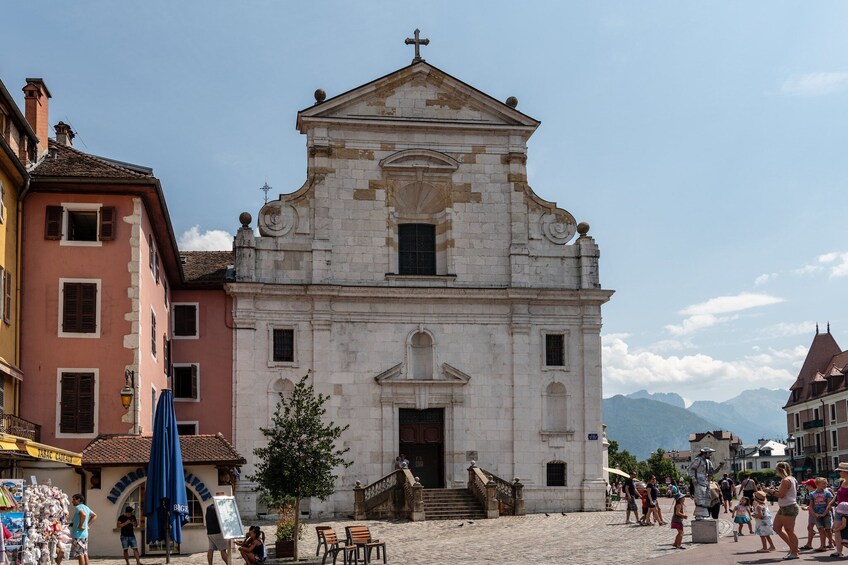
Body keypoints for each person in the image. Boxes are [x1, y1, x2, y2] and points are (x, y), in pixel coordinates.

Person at [767, 461, 800, 560]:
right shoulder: (790, 479)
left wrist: (770, 491)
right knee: (777, 528)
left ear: (780, 470)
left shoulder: (786, 480)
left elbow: (781, 495)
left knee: (789, 530)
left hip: (789, 507)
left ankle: (794, 552)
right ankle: (793, 548)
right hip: (784, 506)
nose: (775, 470)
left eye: (776, 469)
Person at [689, 447, 724, 519]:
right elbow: (691, 469)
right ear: (705, 453)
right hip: (698, 480)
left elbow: (712, 472)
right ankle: (699, 515)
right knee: (700, 497)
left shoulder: (708, 462)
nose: (711, 454)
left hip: (705, 481)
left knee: (706, 498)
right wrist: (693, 478)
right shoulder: (698, 460)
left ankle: (705, 514)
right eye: (709, 453)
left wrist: (720, 466)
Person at [70, 494, 97, 565]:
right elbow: (94, 515)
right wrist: (87, 525)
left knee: (80, 554)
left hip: (78, 534)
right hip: (85, 534)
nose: (72, 501)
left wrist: (80, 525)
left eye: (74, 499)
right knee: (85, 553)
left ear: (78, 500)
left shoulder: (78, 507)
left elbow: (83, 514)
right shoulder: (86, 507)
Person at [809, 477, 834, 552]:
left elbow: (829, 504)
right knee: (820, 529)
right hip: (817, 514)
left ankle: (830, 543)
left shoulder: (827, 493)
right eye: (823, 483)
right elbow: (811, 505)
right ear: (817, 484)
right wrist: (814, 514)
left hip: (826, 514)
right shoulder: (812, 494)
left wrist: (824, 513)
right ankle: (822, 545)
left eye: (826, 483)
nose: (825, 485)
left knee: (828, 529)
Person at [206, 495, 229, 565]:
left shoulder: (209, 508)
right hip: (217, 532)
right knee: (223, 550)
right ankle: (229, 563)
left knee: (210, 549)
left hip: (210, 532)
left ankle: (210, 564)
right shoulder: (218, 509)